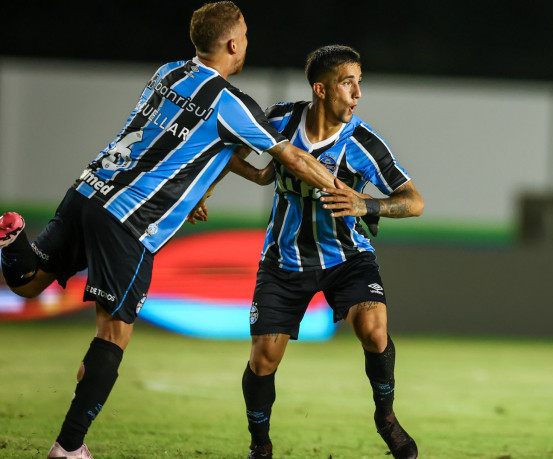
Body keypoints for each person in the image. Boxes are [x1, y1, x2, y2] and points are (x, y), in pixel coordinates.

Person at [0, 3, 343, 458]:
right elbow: (289, 160)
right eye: (245, 35)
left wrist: (202, 179)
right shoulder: (231, 102)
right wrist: (348, 194)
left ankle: (11, 238)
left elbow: (187, 140)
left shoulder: (168, 73)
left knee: (28, 281)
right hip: (131, 221)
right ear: (233, 44)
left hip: (89, 189)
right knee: (113, 334)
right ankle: (69, 447)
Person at [200, 44, 424, 459]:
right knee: (264, 360)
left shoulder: (363, 141)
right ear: (321, 90)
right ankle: (260, 445)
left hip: (347, 259)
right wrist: (206, 188)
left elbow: (414, 201)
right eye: (347, 83)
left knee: (375, 332)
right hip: (284, 261)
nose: (357, 93)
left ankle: (386, 419)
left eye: (360, 82)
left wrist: (367, 205)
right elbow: (235, 153)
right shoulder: (282, 118)